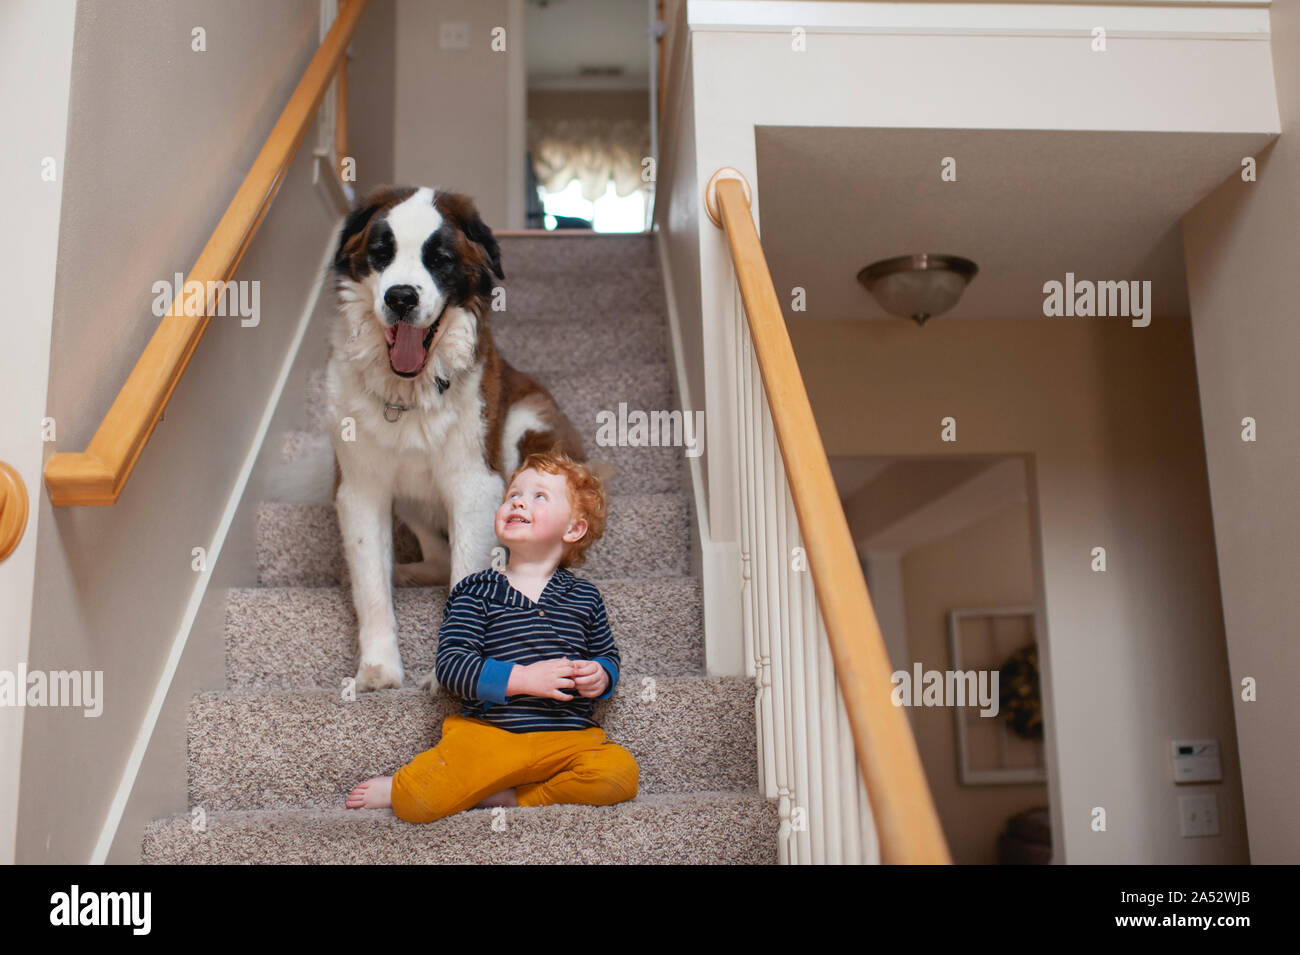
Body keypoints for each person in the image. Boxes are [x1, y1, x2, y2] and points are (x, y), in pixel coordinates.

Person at [345, 449, 638, 821]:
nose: (518, 501)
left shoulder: (584, 596)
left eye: (539, 496)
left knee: (620, 775)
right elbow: (452, 667)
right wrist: (523, 678)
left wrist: (600, 675)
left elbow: (607, 655)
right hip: (491, 736)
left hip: (568, 738)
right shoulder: (475, 590)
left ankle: (512, 798)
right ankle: (405, 783)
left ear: (573, 529)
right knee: (416, 803)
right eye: (513, 494)